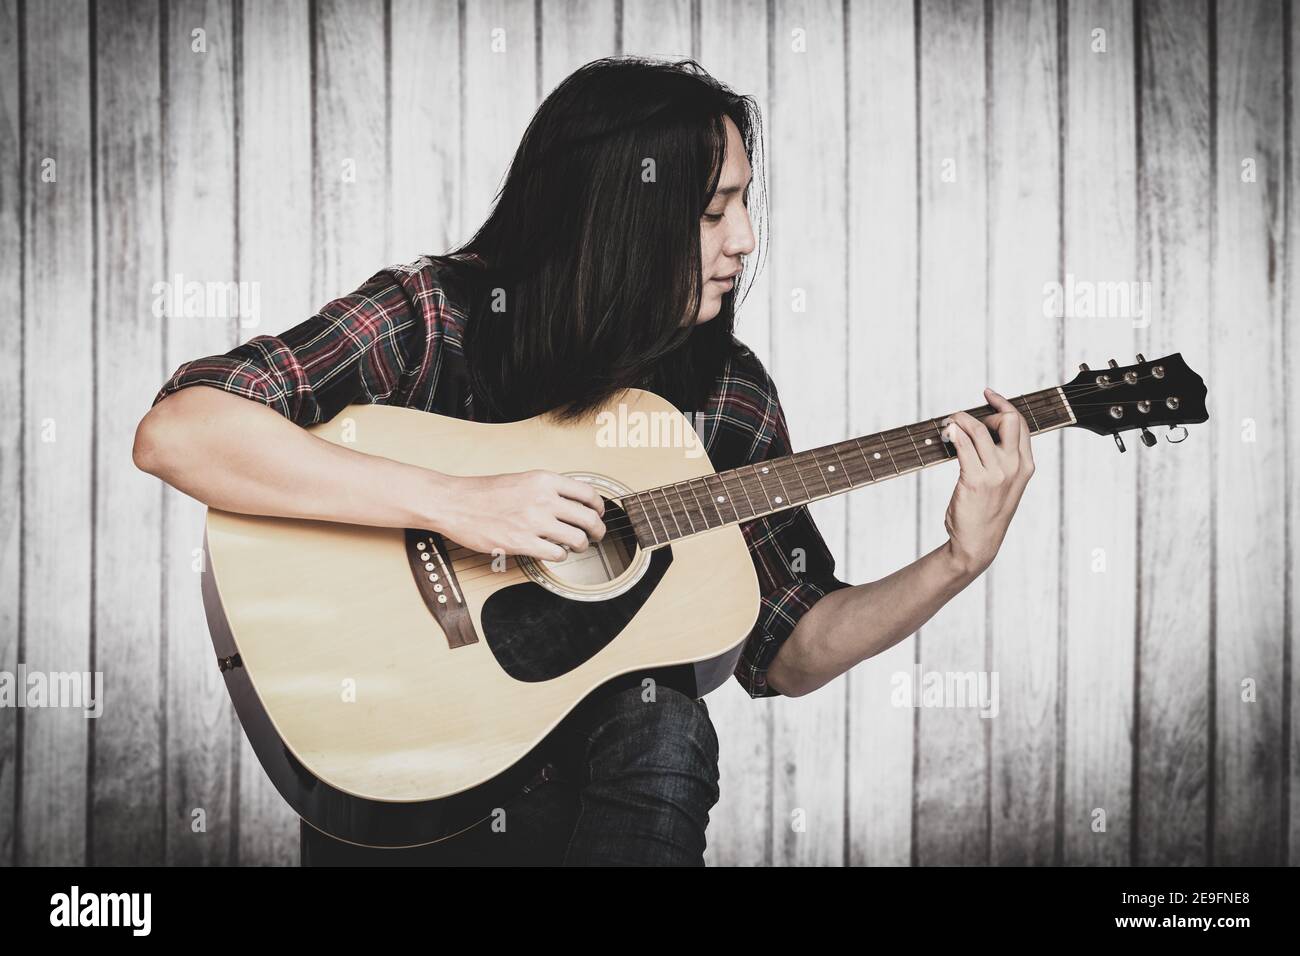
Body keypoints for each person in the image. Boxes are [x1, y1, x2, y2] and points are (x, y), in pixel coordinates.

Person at [132, 57, 1035, 866]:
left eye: (746, 203)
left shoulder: (725, 395)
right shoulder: (438, 317)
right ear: (623, 214)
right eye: (716, 209)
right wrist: (456, 502)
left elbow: (790, 650)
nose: (747, 240)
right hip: (410, 757)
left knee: (666, 716)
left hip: (612, 780)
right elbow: (183, 430)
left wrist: (960, 560)